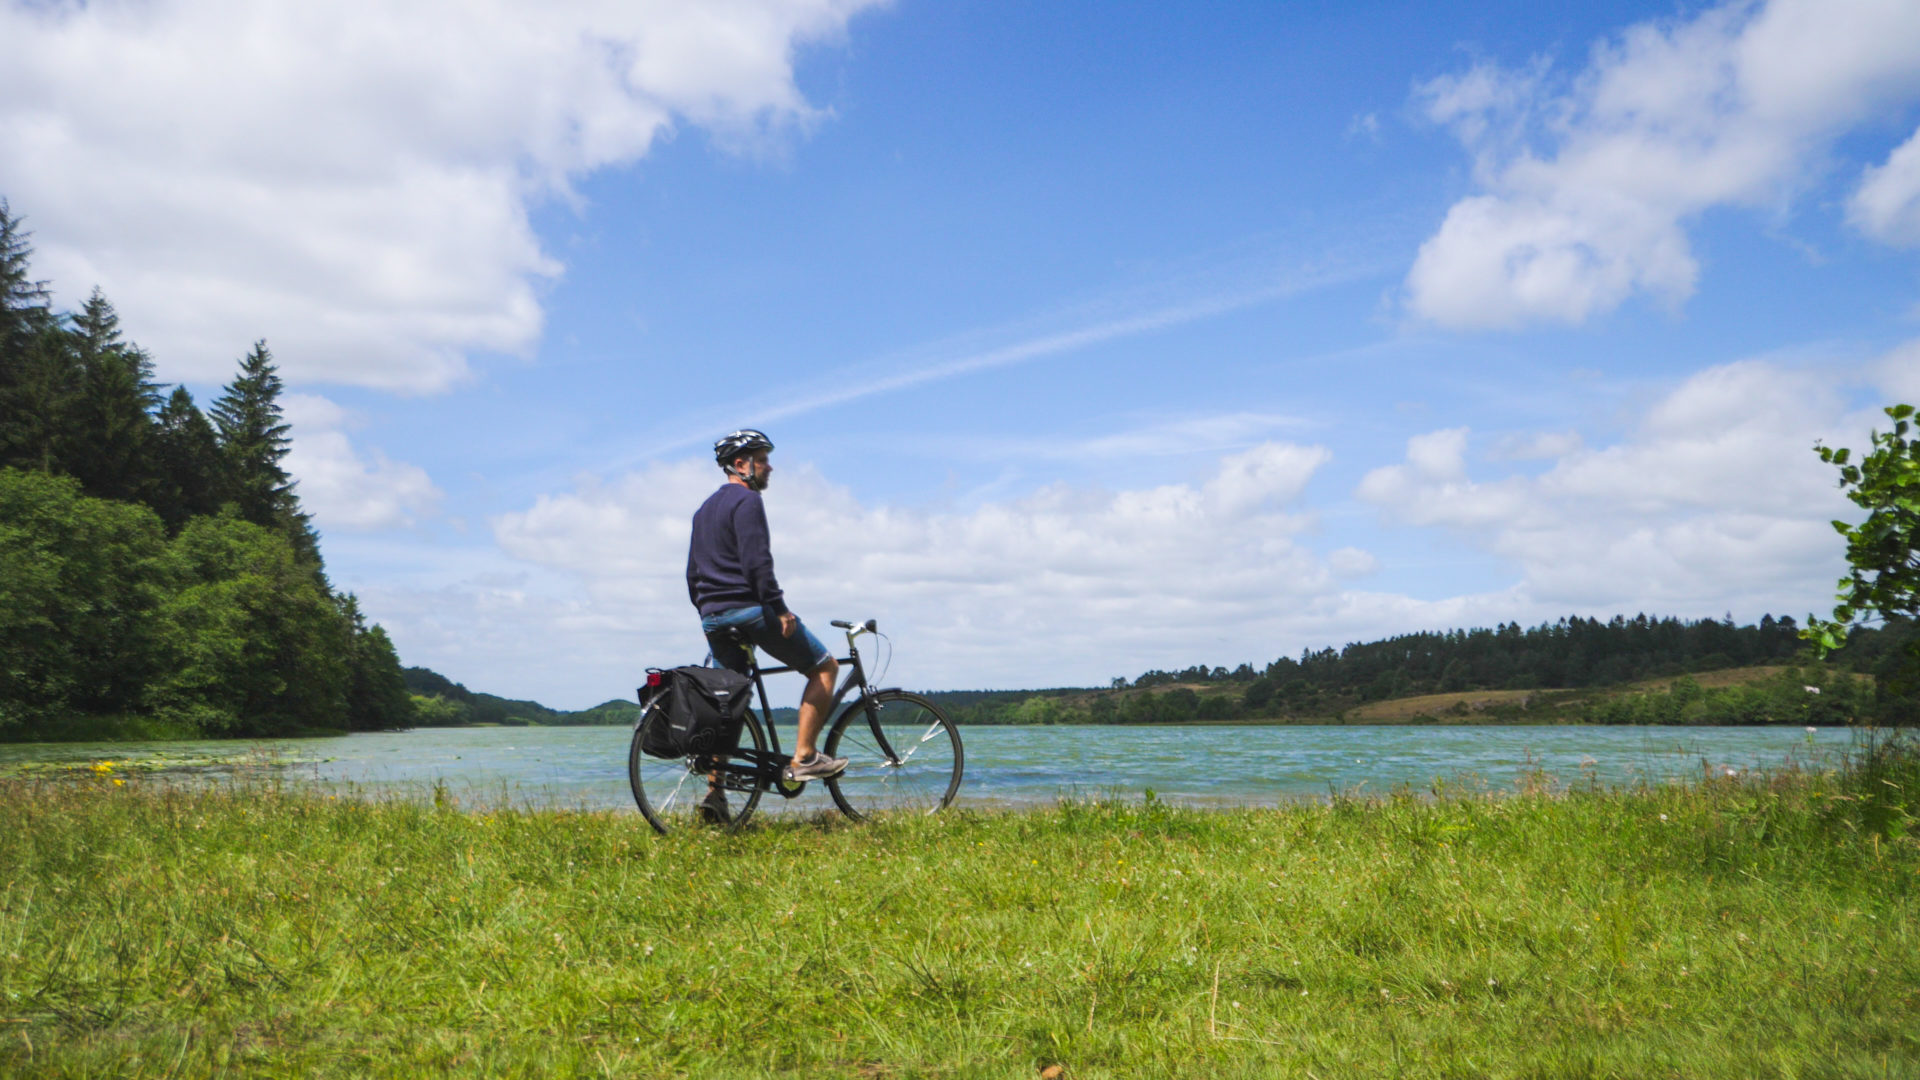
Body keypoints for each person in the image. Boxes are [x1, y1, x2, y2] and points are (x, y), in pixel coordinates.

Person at [687, 429, 846, 805]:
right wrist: (778, 608)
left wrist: (709, 612)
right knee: (825, 668)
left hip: (713, 616)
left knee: (732, 703)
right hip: (750, 611)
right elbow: (757, 563)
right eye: (763, 459)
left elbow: (692, 574)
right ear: (741, 465)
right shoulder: (747, 502)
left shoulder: (702, 511)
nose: (769, 467)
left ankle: (715, 795)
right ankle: (805, 756)